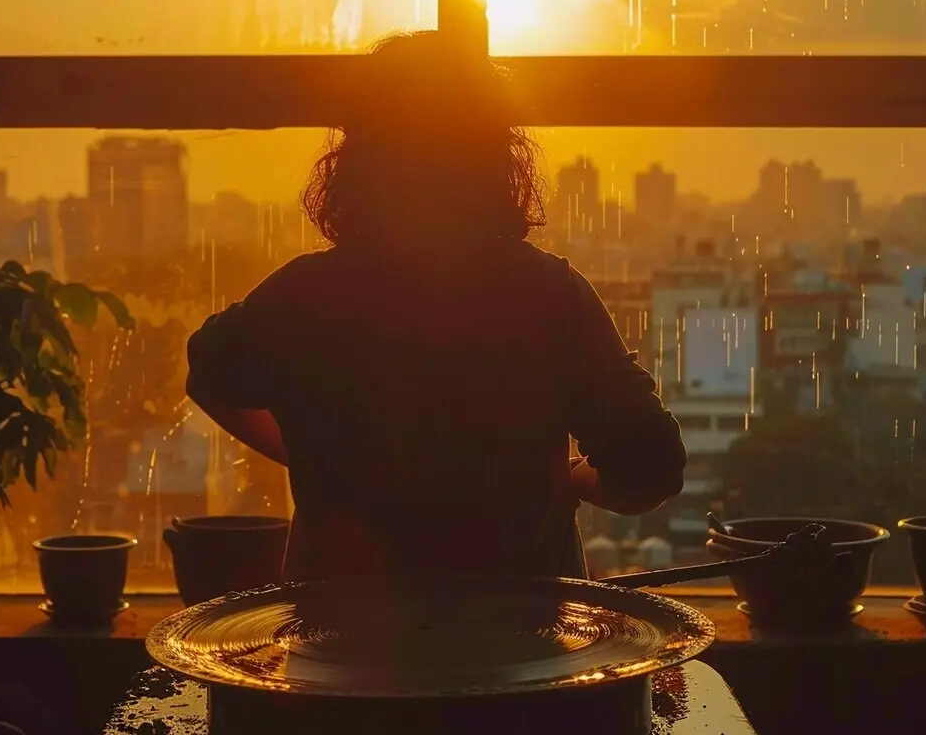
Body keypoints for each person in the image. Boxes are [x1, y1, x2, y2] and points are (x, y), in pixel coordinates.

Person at [185, 31, 686, 583]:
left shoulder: (307, 297)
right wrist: (566, 482)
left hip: (342, 646)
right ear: (495, 160)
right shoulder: (547, 296)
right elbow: (650, 467)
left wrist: (313, 460)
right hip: (519, 643)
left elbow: (208, 373)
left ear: (357, 162)